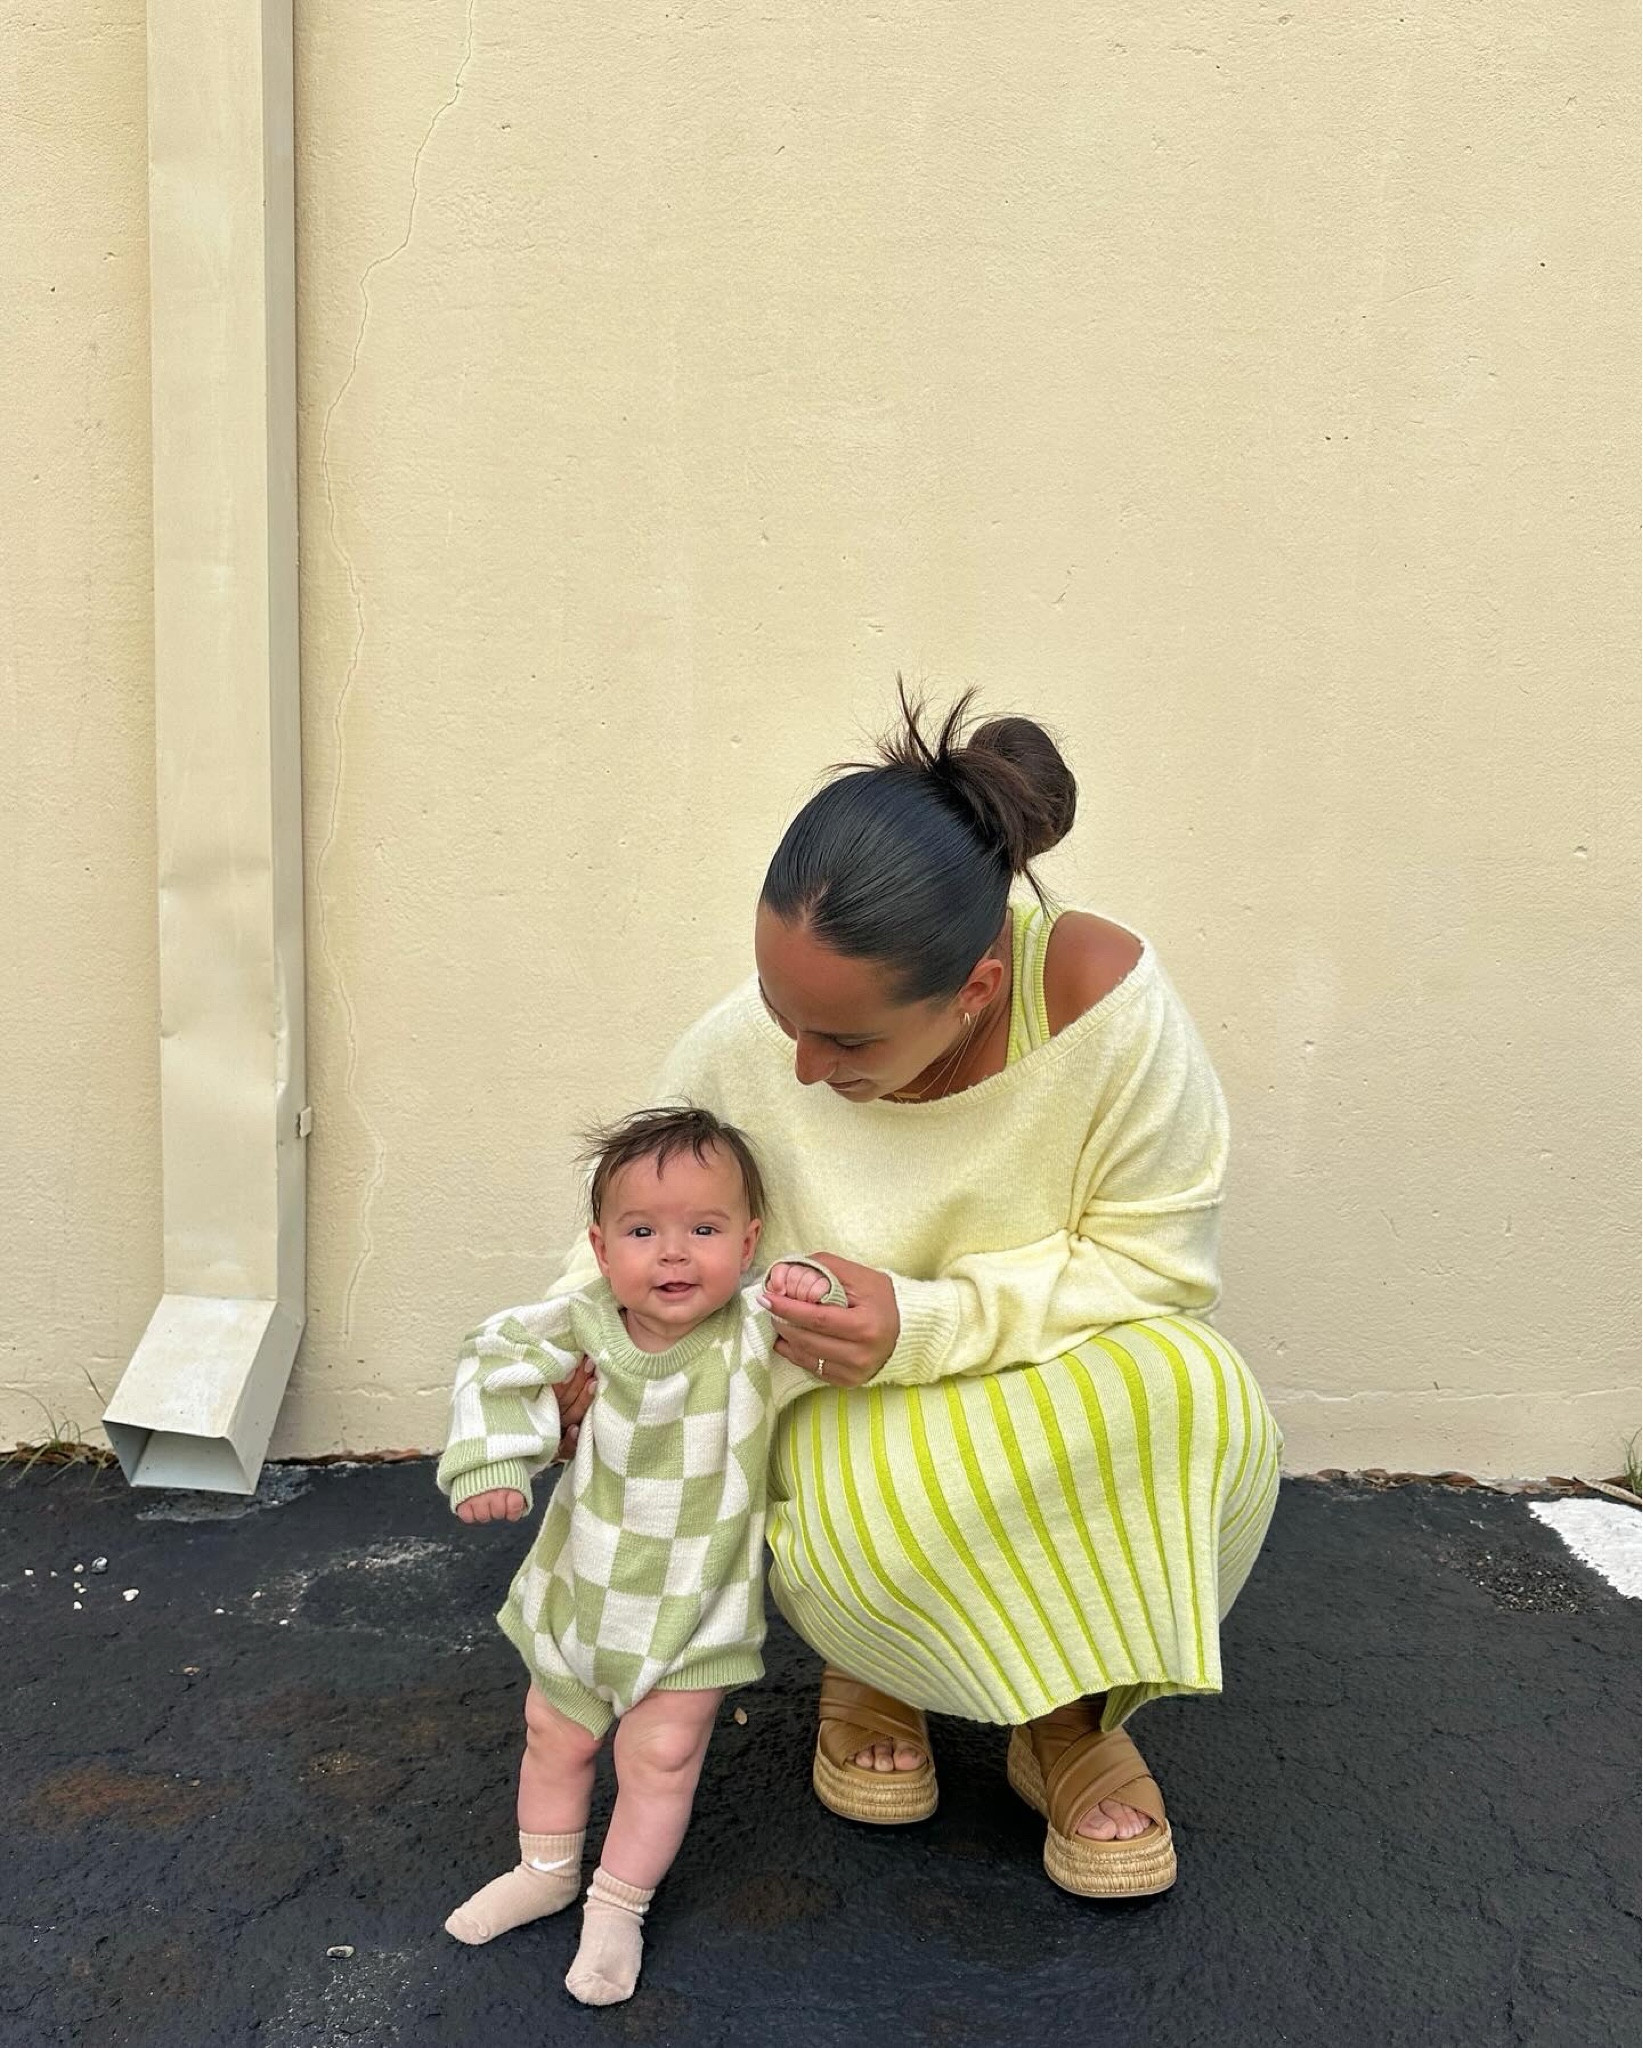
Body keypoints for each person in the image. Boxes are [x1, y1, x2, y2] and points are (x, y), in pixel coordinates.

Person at [548, 687, 1282, 1899]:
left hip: (1047, 1370)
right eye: (779, 1013)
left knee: (1201, 1401)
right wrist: (576, 1349)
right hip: (844, 1394)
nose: (794, 1063)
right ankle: (873, 1664)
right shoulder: (767, 1034)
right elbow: (643, 1214)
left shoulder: (1109, 1017)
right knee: (876, 1491)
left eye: (841, 1044)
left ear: (977, 990)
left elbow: (1158, 1271)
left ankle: (1068, 1719)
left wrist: (927, 1319)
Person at [436, 1106, 842, 2004]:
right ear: (599, 1245)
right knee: (554, 1732)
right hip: (585, 1592)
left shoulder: (750, 1331)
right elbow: (494, 1354)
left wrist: (814, 1287)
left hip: (694, 1607)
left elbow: (829, 1301)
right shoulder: (585, 1322)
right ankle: (544, 1871)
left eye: (703, 1230)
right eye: (642, 1231)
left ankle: (617, 1905)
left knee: (658, 1759)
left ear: (747, 1242)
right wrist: (495, 1455)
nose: (672, 1254)